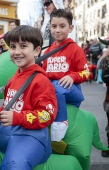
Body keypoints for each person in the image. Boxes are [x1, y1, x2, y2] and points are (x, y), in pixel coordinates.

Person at [0, 25, 58, 170]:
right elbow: (8, 107)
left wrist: (17, 118)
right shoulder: (13, 79)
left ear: (37, 50)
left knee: (14, 166)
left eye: (23, 46)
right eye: (13, 47)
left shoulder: (41, 81)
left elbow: (47, 115)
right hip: (10, 130)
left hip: (32, 135)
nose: (17, 52)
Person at [42, 9, 90, 144]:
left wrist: (72, 76)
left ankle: (61, 121)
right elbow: (44, 74)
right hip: (54, 91)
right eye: (54, 26)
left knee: (57, 86)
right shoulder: (47, 51)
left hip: (71, 91)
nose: (57, 30)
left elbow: (86, 73)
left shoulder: (75, 49)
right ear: (50, 27)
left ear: (71, 28)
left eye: (62, 26)